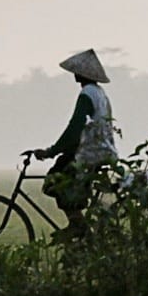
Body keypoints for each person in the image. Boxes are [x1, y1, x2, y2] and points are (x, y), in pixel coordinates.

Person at [33, 48, 117, 234]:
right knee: (65, 170)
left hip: (91, 152)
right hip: (103, 149)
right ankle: (79, 226)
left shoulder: (87, 93)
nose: (74, 75)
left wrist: (51, 151)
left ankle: (77, 226)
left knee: (55, 180)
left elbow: (75, 128)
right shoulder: (100, 93)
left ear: (81, 74)